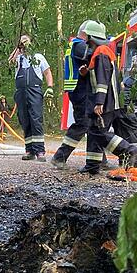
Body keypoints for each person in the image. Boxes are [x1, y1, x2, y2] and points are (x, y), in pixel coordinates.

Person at [78, 22, 137, 174]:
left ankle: (128, 150)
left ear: (92, 37)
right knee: (94, 132)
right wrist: (85, 72)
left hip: (106, 102)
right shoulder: (99, 52)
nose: (84, 40)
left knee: (99, 132)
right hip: (106, 100)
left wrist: (99, 101)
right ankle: (92, 166)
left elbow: (102, 79)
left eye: (85, 36)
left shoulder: (101, 52)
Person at [50, 20, 95, 169]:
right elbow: (92, 56)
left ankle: (98, 161)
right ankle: (59, 157)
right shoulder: (79, 45)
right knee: (83, 124)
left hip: (77, 90)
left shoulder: (73, 45)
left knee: (93, 125)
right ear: (87, 35)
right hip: (80, 91)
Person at [9, 34, 54, 161]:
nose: (24, 43)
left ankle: (40, 151)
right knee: (25, 120)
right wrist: (18, 48)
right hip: (21, 92)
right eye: (22, 41)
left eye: (26, 40)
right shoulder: (18, 58)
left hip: (34, 90)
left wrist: (50, 87)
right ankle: (29, 151)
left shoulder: (38, 57)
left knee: (36, 119)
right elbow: (10, 62)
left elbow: (47, 72)